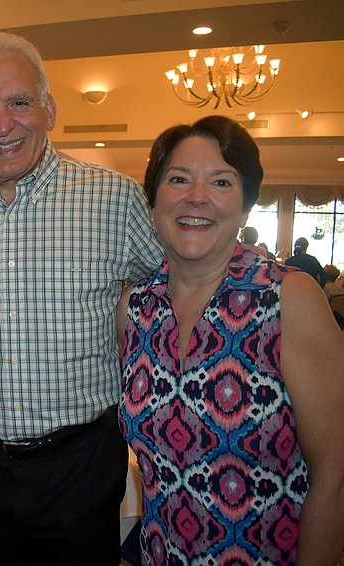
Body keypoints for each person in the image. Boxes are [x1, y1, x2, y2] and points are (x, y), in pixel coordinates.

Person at [0, 32, 163, 565]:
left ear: (49, 109)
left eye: (19, 102)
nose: (1, 125)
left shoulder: (115, 199)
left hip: (79, 465)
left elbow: (171, 297)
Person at [117, 115, 344, 564]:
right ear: (154, 199)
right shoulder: (135, 307)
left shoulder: (287, 299)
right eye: (178, 179)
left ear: (244, 205)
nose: (196, 197)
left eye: (221, 182)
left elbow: (335, 475)